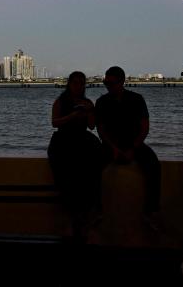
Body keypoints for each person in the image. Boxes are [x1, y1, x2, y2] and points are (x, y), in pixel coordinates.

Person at [95, 66, 161, 220]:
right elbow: (101, 130)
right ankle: (96, 209)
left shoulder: (137, 99)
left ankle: (152, 211)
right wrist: (113, 148)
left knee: (154, 165)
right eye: (107, 83)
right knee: (92, 166)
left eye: (112, 83)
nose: (109, 87)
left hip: (134, 143)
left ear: (122, 82)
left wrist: (133, 148)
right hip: (110, 144)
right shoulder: (102, 102)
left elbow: (144, 128)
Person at [48, 71, 103, 239]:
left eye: (81, 83)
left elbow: (92, 126)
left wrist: (90, 111)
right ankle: (74, 220)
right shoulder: (61, 101)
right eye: (75, 83)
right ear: (69, 84)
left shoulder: (87, 102)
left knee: (91, 172)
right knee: (68, 177)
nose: (79, 86)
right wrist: (72, 116)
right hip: (64, 140)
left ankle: (85, 218)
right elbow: (54, 122)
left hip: (82, 140)